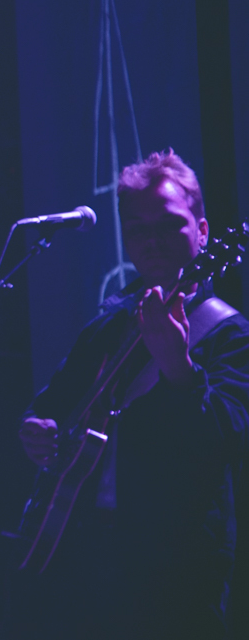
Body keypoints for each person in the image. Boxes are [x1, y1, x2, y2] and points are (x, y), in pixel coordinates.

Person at [14, 150, 249, 638]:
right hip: (80, 558)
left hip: (174, 572)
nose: (152, 241)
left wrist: (179, 369)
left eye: (168, 225)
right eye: (138, 229)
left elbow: (227, 438)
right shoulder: (113, 317)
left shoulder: (231, 335)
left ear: (202, 232)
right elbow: (53, 403)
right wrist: (35, 428)